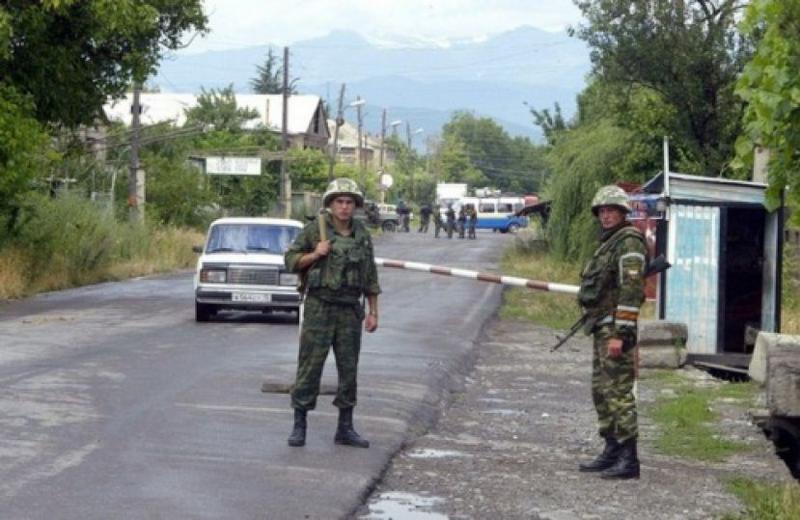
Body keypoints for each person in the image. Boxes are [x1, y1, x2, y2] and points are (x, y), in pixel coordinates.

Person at [284, 178, 381, 449]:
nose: (344, 207)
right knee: (310, 366)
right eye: (339, 201)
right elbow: (290, 261)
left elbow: (370, 275)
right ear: (330, 204)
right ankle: (299, 425)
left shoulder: (362, 235)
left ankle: (345, 427)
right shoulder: (315, 230)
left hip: (350, 309)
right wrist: (315, 254)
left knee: (349, 369)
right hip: (320, 307)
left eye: (349, 202)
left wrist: (373, 311)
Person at [577, 185, 647, 480]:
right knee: (601, 391)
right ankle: (612, 449)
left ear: (622, 213)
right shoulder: (608, 242)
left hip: (615, 329)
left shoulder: (628, 242)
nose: (606, 216)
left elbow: (632, 291)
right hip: (601, 326)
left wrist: (621, 334)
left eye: (611, 211)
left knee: (618, 392)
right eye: (602, 211)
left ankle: (629, 458)